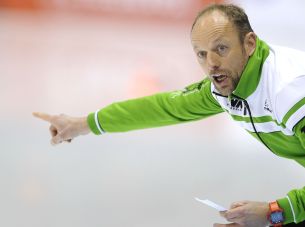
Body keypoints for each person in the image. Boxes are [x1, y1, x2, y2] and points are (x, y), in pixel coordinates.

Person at [33, 3, 305, 227]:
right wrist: (82, 124)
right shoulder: (228, 85)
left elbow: (281, 212)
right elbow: (164, 107)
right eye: (201, 54)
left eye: (221, 48)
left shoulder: (291, 92)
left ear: (250, 43)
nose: (211, 64)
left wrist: (274, 212)